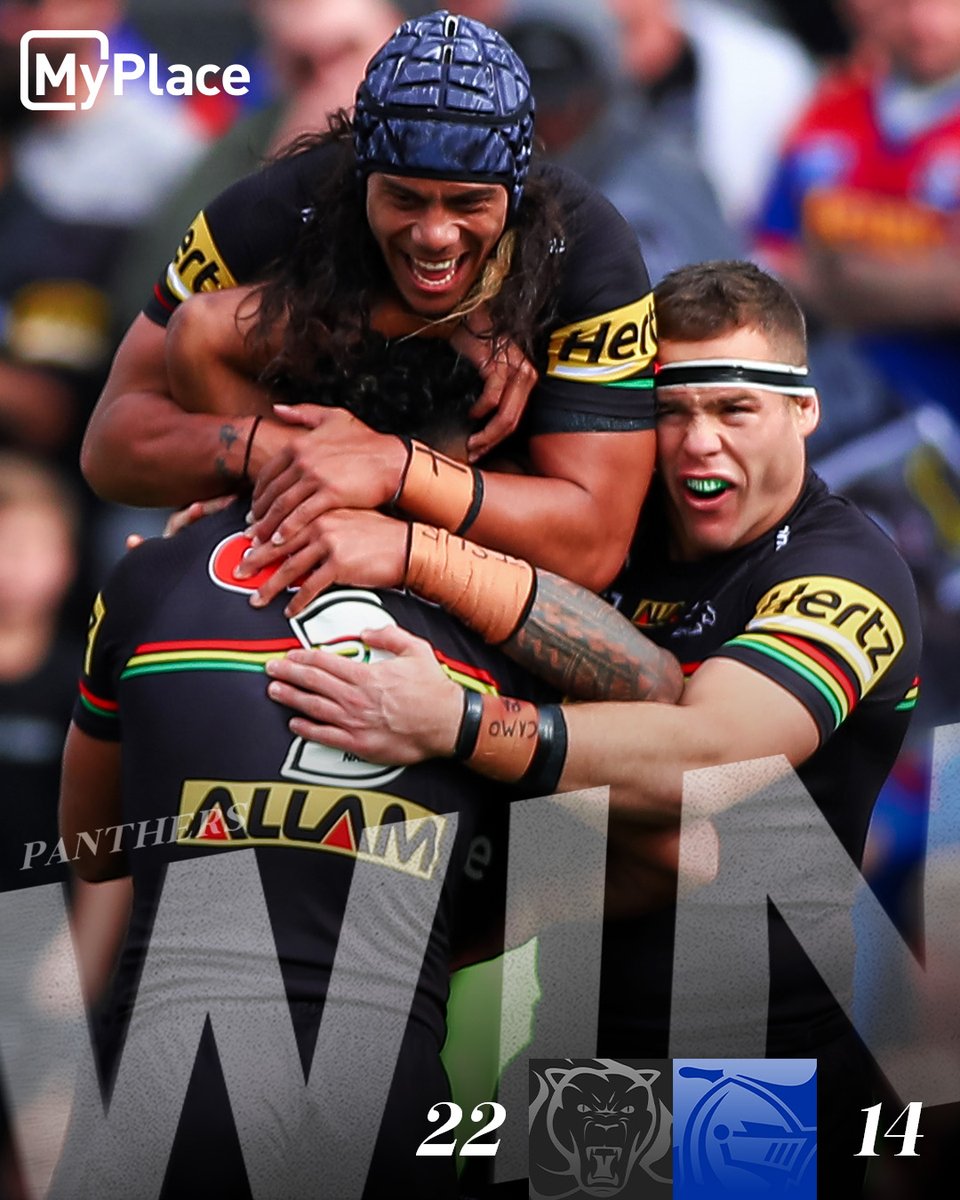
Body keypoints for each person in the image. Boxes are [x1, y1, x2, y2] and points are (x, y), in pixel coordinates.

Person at [262, 261, 922, 1194]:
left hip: (757, 1074)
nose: (698, 442)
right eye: (670, 410)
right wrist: (245, 524)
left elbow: (713, 756)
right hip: (574, 1042)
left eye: (734, 409)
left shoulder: (849, 572)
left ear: (803, 410)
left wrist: (457, 723)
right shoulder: (613, 529)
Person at [58, 337, 681, 1199]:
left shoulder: (153, 578)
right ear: (465, 459)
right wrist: (444, 907)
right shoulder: (504, 630)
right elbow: (660, 706)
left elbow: (90, 846)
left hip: (154, 1109)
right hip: (379, 1106)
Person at [80, 9, 658, 593]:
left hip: (478, 549)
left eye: (468, 203)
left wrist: (394, 473)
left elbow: (593, 549)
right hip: (291, 499)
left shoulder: (589, 252)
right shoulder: (269, 211)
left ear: (516, 193)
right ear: (361, 179)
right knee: (199, 333)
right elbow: (110, 447)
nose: (435, 235)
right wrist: (292, 457)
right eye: (405, 199)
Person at [755, 0, 960, 424]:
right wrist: (923, 280)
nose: (923, 23)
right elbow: (769, 266)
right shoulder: (830, 110)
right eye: (903, 5)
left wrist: (835, 276)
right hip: (834, 407)